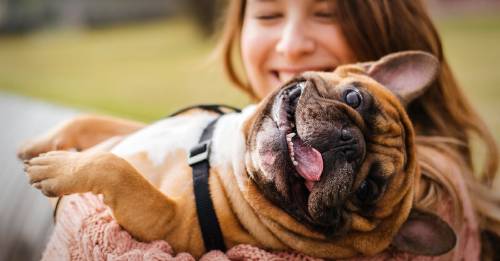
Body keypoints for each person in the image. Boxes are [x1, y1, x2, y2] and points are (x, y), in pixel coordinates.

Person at [19, 0, 499, 260]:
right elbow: (166, 142)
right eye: (268, 15)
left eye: (372, 184)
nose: (291, 45)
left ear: (384, 37)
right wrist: (85, 131)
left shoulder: (434, 193)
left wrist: (84, 206)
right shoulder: (248, 129)